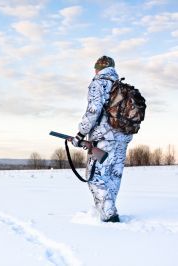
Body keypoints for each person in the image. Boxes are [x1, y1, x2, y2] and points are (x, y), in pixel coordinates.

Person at [70, 56, 132, 222]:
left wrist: (80, 134)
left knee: (95, 177)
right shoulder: (121, 86)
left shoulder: (98, 83)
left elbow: (93, 111)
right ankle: (110, 210)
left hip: (103, 139)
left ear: (97, 68)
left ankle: (109, 215)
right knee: (113, 176)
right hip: (123, 138)